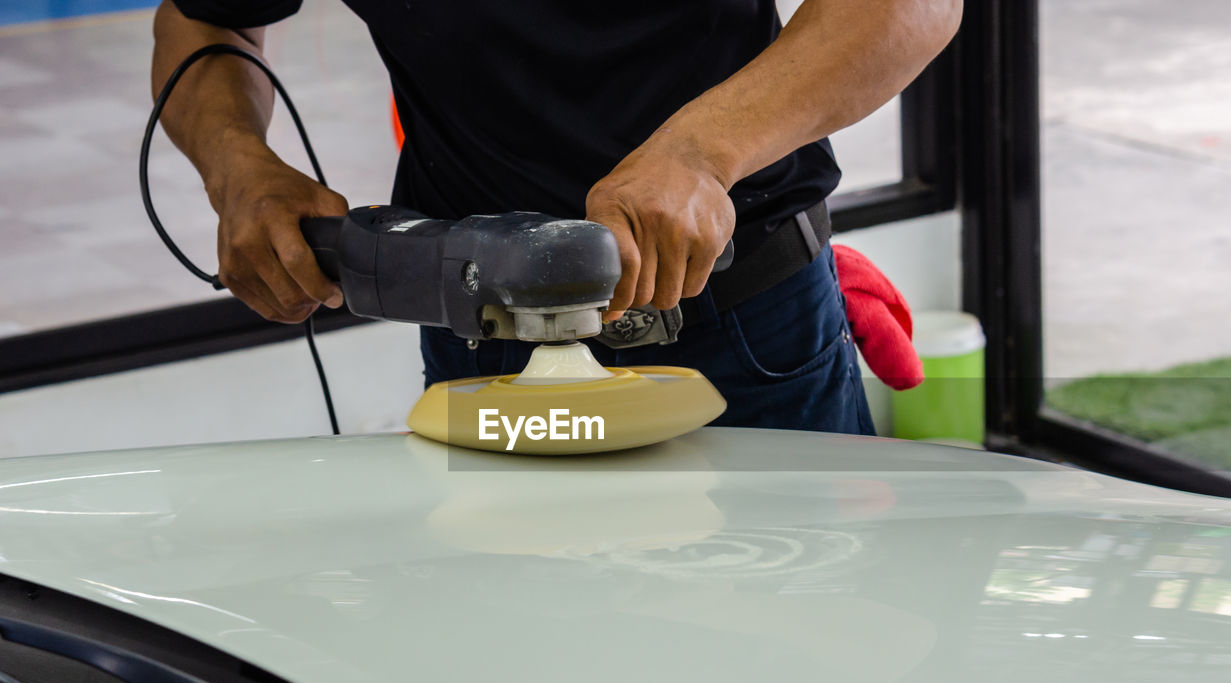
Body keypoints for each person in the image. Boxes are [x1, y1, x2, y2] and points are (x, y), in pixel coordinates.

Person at [151, 0, 961, 435]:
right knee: (519, 678)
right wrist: (240, 171)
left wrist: (703, 152)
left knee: (791, 663)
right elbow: (203, 18)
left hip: (740, 324)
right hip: (479, 330)